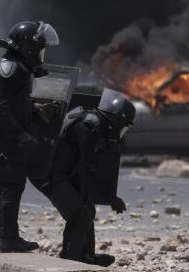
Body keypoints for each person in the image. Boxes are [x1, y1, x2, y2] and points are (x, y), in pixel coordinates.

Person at [0, 21, 60, 252]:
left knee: (4, 184)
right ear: (29, 47)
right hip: (0, 131)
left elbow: (13, 104)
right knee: (11, 184)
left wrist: (36, 110)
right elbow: (0, 106)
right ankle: (8, 240)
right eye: (40, 48)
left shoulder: (16, 67)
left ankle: (0, 238)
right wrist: (19, 134)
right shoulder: (11, 68)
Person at [46, 88, 135, 266]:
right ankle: (70, 263)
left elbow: (91, 169)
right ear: (114, 121)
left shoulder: (94, 126)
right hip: (53, 177)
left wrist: (105, 196)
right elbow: (88, 169)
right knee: (81, 216)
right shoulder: (87, 129)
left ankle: (86, 257)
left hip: (66, 175)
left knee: (87, 209)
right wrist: (110, 198)